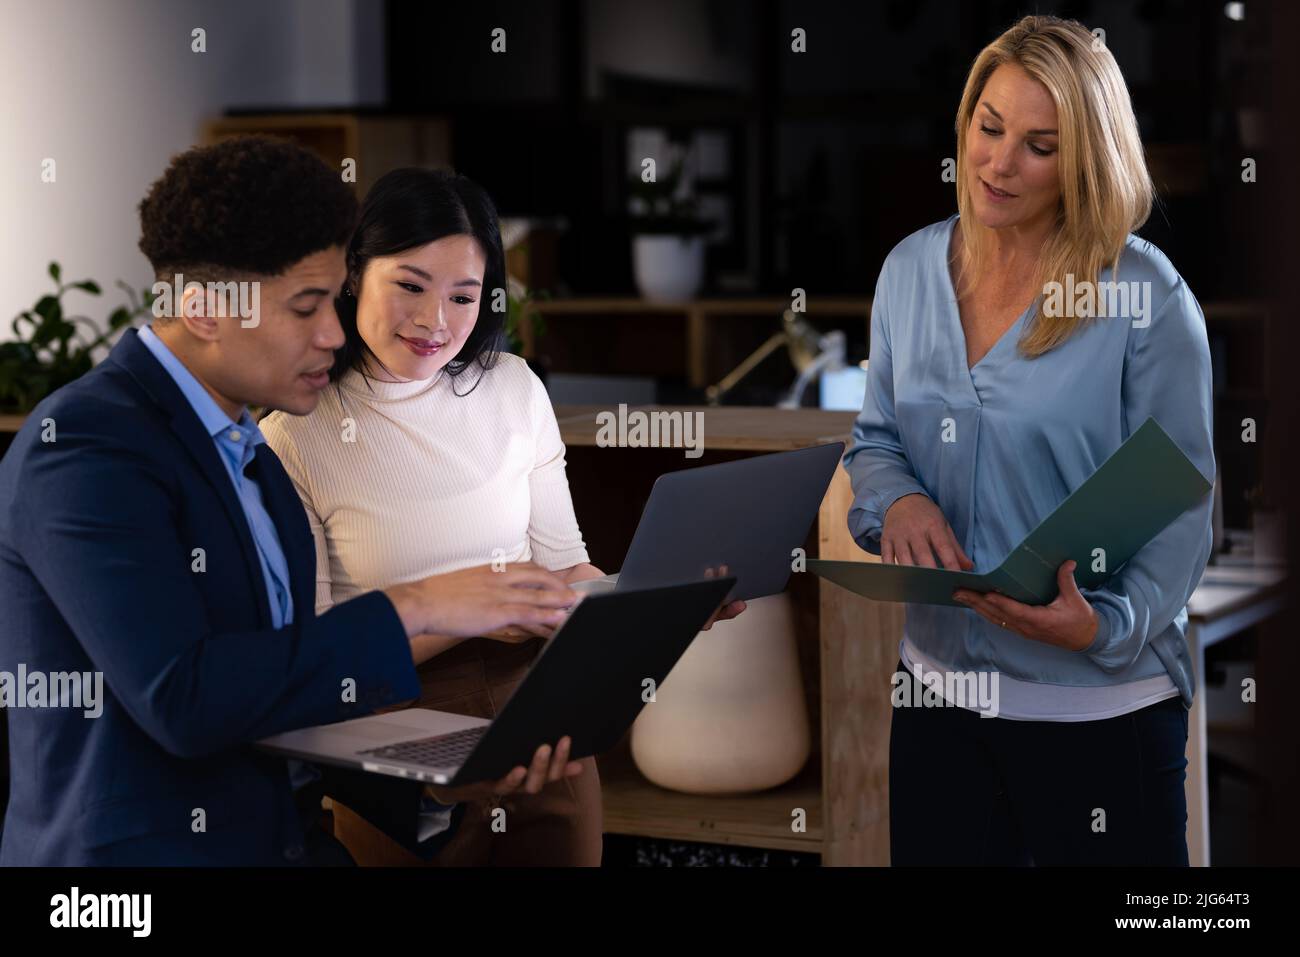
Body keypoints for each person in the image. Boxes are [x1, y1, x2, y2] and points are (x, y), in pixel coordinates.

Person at [0, 136, 582, 866]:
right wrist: (422, 604)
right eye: (308, 306)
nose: (335, 333)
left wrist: (452, 763)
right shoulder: (84, 449)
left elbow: (283, 686)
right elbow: (186, 700)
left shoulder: (254, 457)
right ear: (206, 309)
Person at [261, 167, 744, 865]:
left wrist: (654, 605)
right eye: (410, 286)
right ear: (354, 271)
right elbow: (317, 658)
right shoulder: (295, 435)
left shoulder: (513, 388)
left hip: (543, 732)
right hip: (393, 748)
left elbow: (566, 565)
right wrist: (469, 612)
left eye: (462, 295)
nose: (436, 322)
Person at [844, 16, 1213, 865]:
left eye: (1040, 146)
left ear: (1085, 160)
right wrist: (894, 493)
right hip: (937, 701)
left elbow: (1182, 501)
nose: (999, 164)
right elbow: (876, 440)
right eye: (989, 126)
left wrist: (1103, 625)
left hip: (1100, 719)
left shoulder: (1145, 294)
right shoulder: (907, 272)